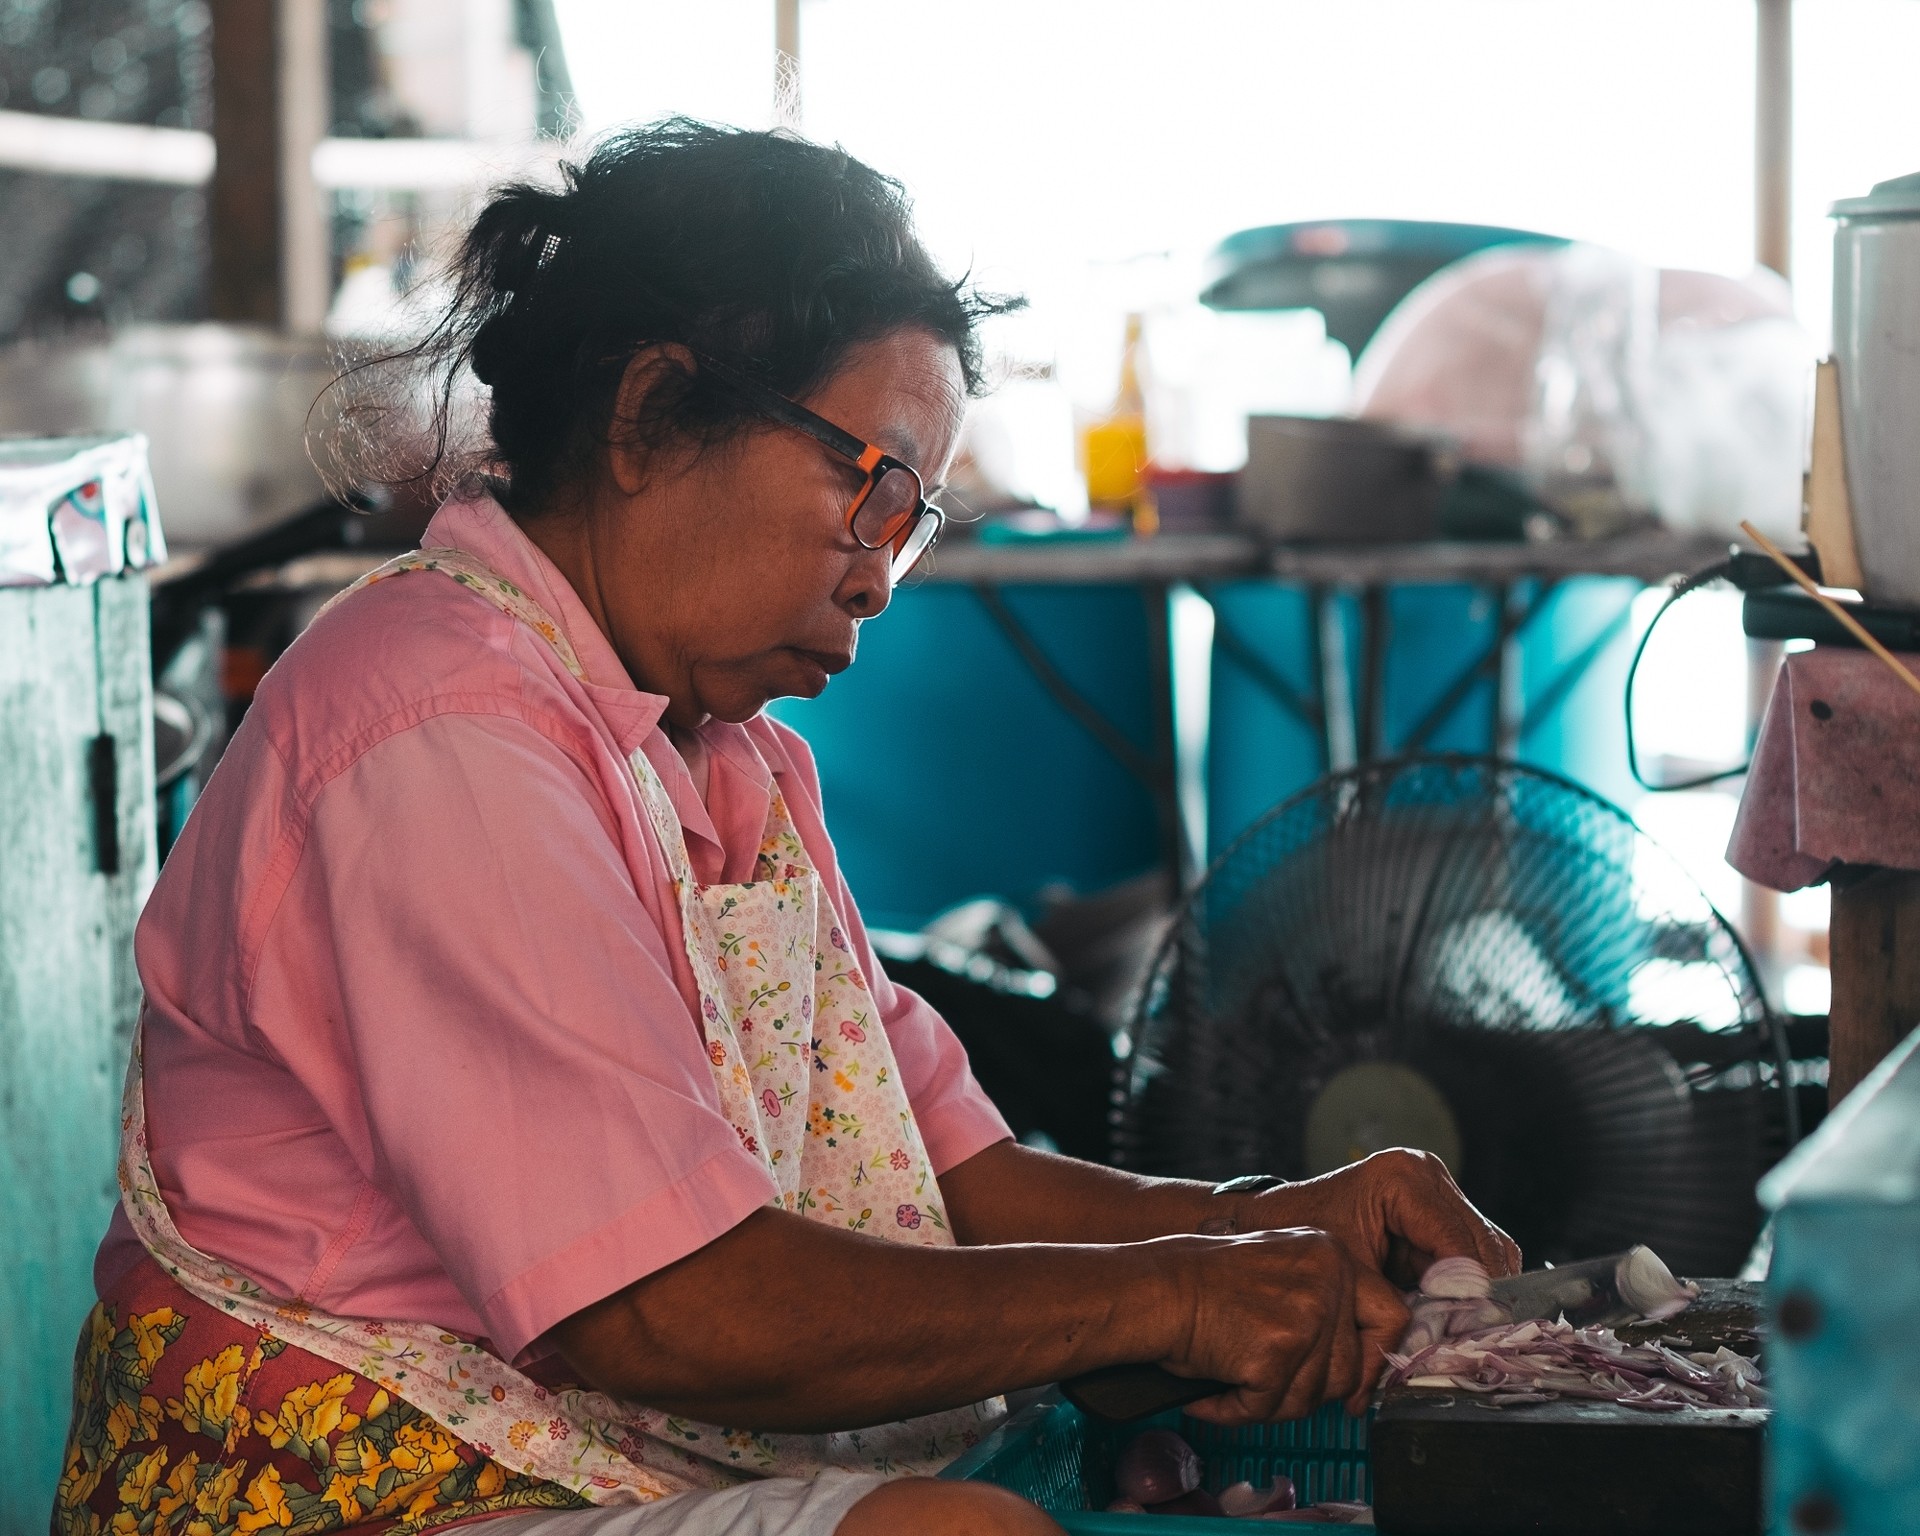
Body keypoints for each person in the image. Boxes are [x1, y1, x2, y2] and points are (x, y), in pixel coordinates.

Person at [55, 121, 1517, 1536]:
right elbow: (663, 1308)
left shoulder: (728, 761)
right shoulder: (440, 731)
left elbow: (954, 1179)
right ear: (648, 417)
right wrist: (1173, 1294)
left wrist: (1274, 1223)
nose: (881, 577)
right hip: (343, 1494)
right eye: (862, 485)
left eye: (915, 515)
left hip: (562, 1452)